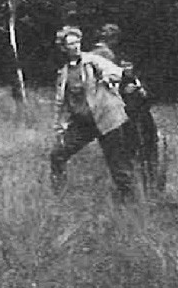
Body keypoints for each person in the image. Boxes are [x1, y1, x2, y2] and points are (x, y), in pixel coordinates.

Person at [50, 25, 135, 201]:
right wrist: (59, 127)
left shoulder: (93, 60)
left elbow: (117, 73)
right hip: (84, 123)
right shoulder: (64, 73)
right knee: (57, 154)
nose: (75, 46)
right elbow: (61, 103)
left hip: (107, 117)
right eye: (70, 44)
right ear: (64, 48)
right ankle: (59, 196)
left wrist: (107, 77)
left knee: (118, 164)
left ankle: (129, 201)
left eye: (77, 42)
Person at [92, 23, 163, 194]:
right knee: (133, 150)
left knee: (134, 150)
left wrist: (138, 88)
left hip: (123, 112)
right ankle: (137, 190)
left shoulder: (94, 56)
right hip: (124, 112)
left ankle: (142, 187)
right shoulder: (105, 56)